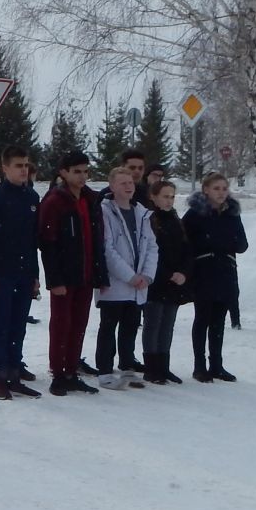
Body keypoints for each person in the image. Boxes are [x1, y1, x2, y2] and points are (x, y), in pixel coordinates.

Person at [0, 144, 42, 401]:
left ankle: (15, 372)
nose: (24, 170)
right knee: (1, 323)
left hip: (24, 273)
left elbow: (33, 242)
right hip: (1, 274)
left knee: (18, 325)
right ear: (5, 168)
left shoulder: (32, 199)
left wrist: (35, 276)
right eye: (18, 166)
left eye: (26, 165)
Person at [38, 150, 105, 396]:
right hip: (64, 276)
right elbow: (47, 242)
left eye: (86, 171)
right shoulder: (55, 201)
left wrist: (99, 273)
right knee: (61, 324)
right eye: (77, 171)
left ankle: (71, 370)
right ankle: (58, 373)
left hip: (85, 274)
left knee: (79, 324)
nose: (82, 176)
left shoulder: (90, 199)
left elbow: (97, 240)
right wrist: (54, 279)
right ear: (63, 172)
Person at [94, 165, 158, 389]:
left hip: (138, 284)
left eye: (130, 182)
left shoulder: (141, 212)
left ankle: (128, 367)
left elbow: (151, 245)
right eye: (123, 183)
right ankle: (104, 369)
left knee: (131, 327)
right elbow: (107, 249)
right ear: (112, 186)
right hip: (116, 283)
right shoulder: (104, 211)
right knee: (109, 327)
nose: (128, 187)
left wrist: (147, 275)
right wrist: (130, 276)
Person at [182, 172, 247, 382]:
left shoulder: (231, 214)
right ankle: (199, 366)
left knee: (219, 320)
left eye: (224, 189)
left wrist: (228, 244)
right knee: (203, 319)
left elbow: (242, 243)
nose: (221, 193)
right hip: (203, 272)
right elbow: (185, 243)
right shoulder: (194, 215)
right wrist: (209, 244)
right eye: (216, 189)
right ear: (206, 190)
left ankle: (216, 364)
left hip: (226, 270)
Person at [141, 179, 192, 384]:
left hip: (175, 281)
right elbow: (150, 252)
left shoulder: (175, 219)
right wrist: (166, 273)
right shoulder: (149, 220)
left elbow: (186, 249)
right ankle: (151, 367)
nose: (169, 201)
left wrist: (183, 272)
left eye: (172, 197)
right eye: (165, 196)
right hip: (157, 280)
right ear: (153, 197)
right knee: (153, 323)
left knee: (168, 324)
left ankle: (164, 365)